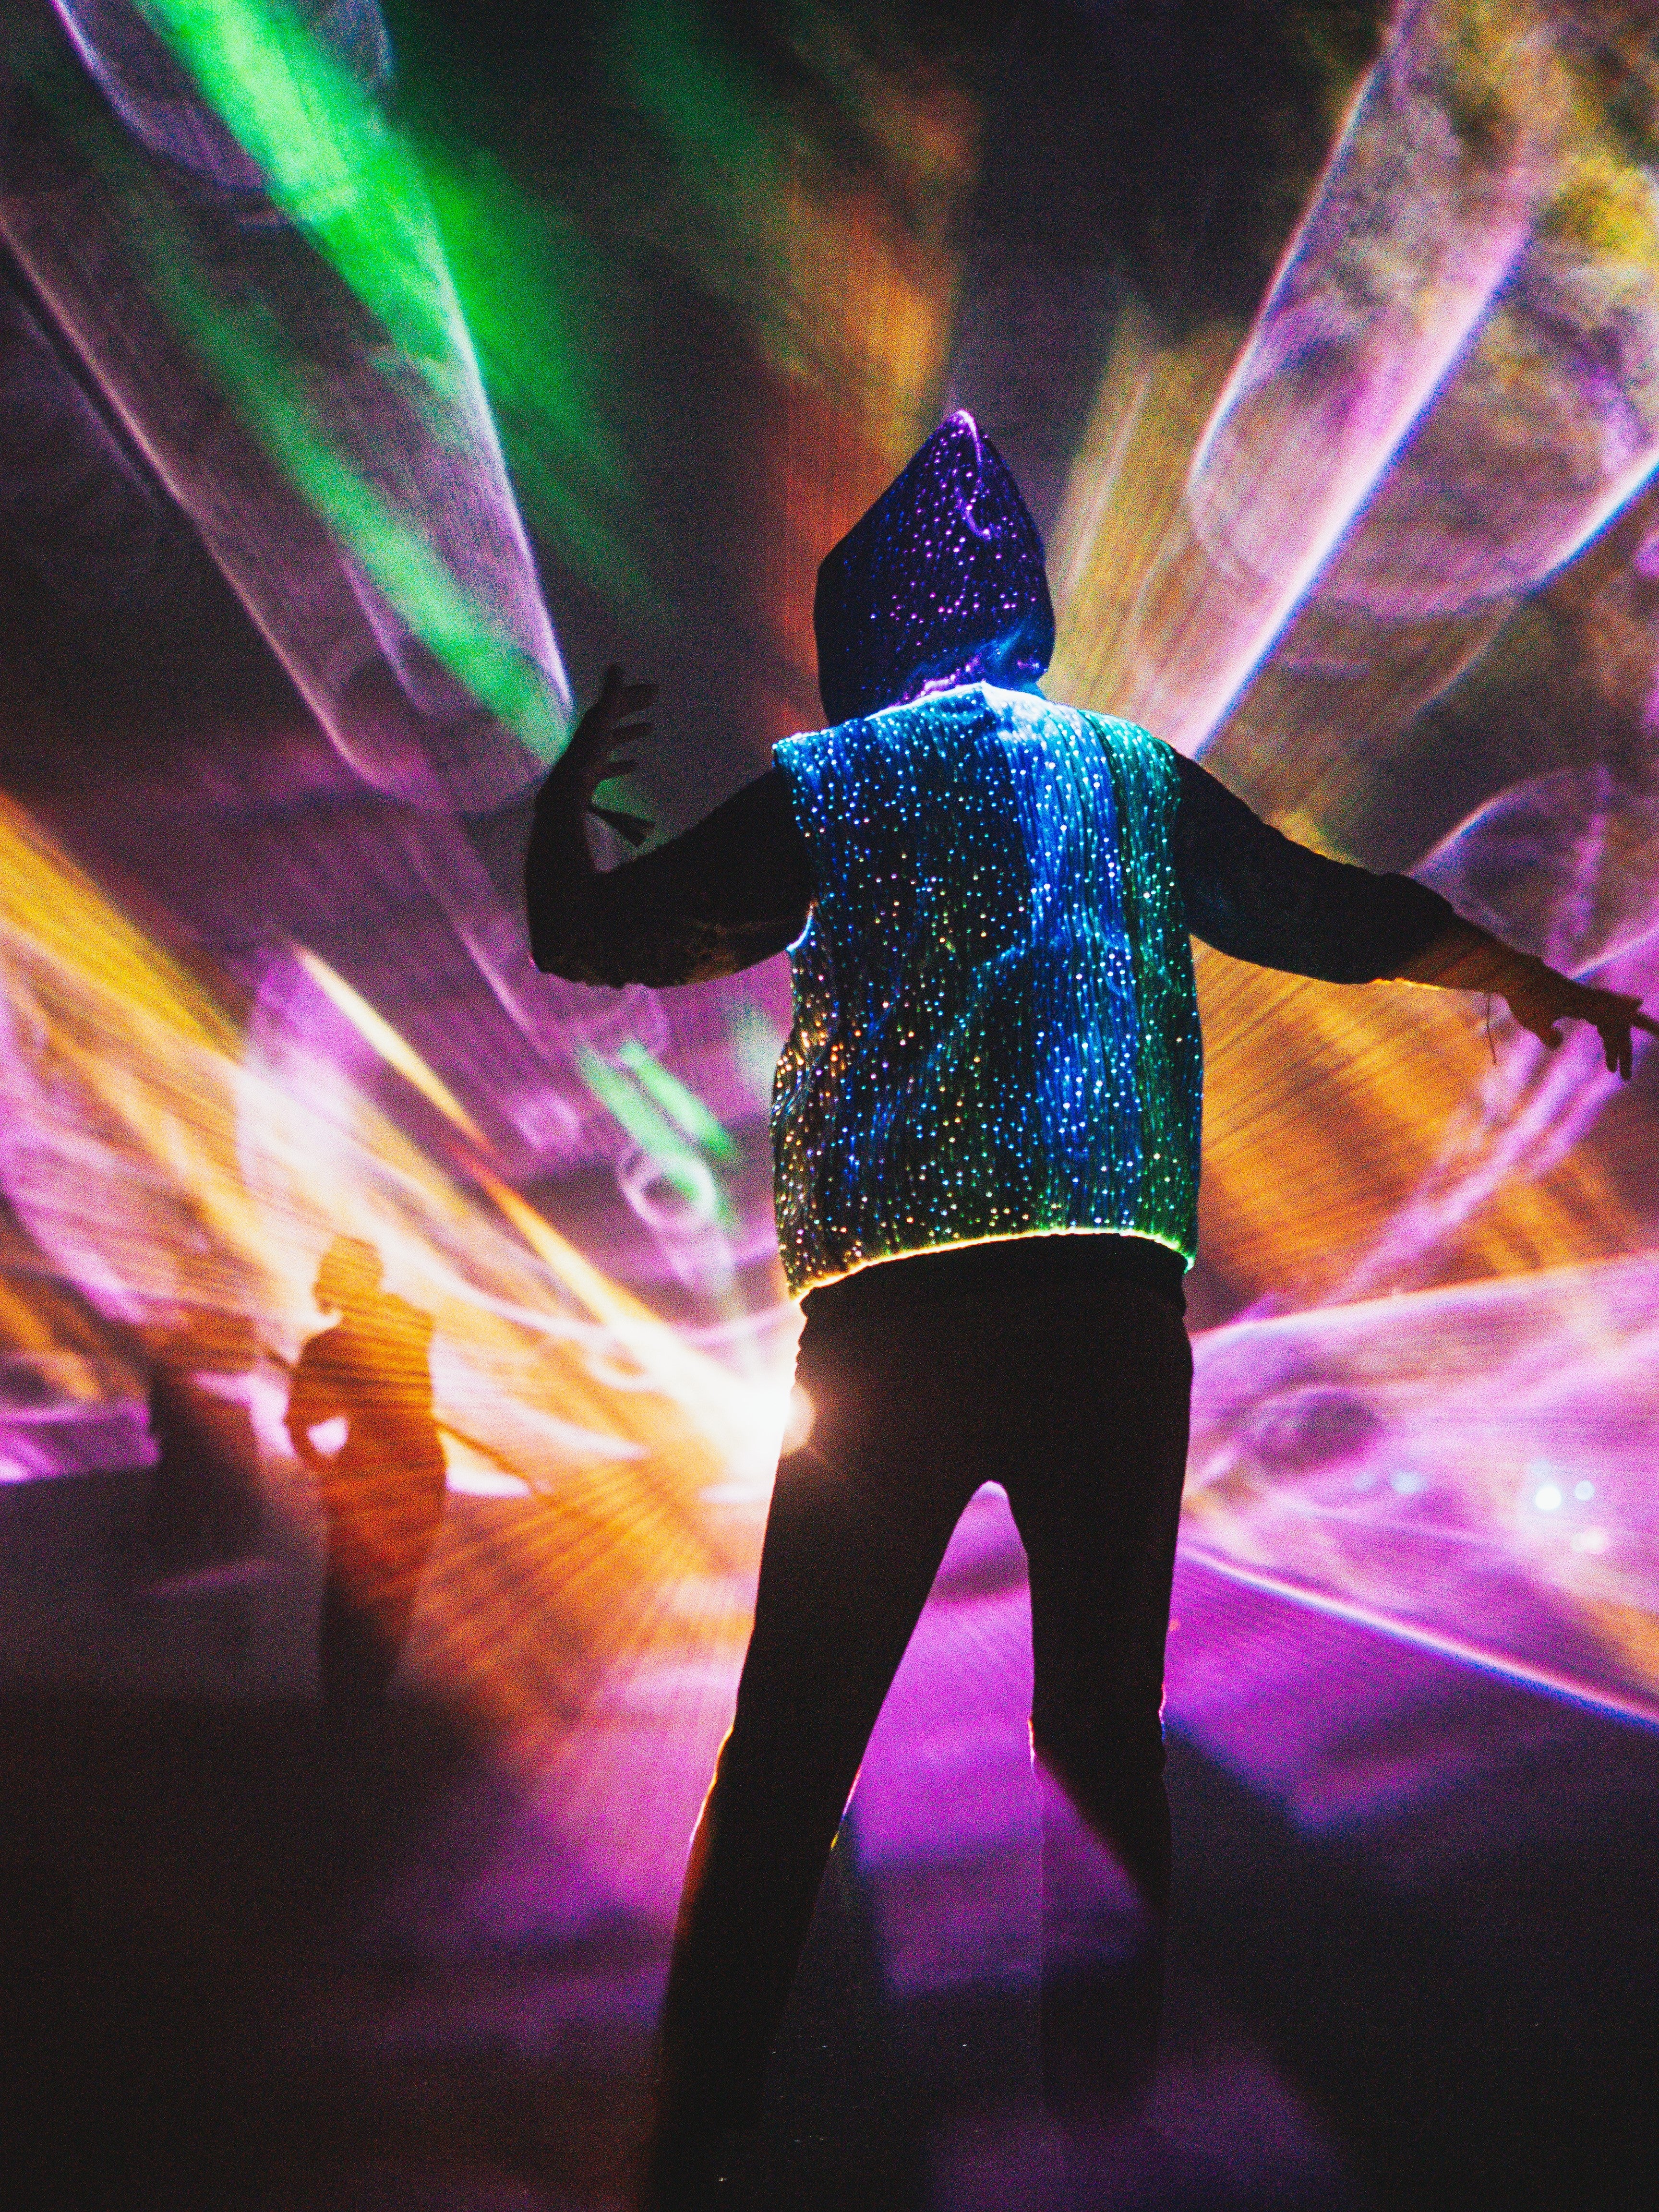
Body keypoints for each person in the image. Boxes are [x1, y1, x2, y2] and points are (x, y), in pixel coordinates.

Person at [523, 412, 1653, 2207]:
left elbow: (605, 942)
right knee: (1099, 1727)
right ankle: (1105, 2095)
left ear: (864, 617)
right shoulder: (1129, 773)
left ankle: (696, 2108)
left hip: (889, 1326)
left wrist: (560, 819)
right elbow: (1320, 909)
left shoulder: (835, 782)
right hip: (1108, 1312)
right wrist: (1511, 967)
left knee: (794, 1726)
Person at [286, 1237, 446, 1713]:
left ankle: (354, 1705)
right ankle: (352, 1705)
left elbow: (301, 1423)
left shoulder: (388, 1328)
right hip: (394, 1473)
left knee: (375, 1597)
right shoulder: (342, 1343)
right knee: (366, 1598)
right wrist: (328, 1472)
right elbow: (300, 1423)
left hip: (399, 1474)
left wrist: (326, 1469)